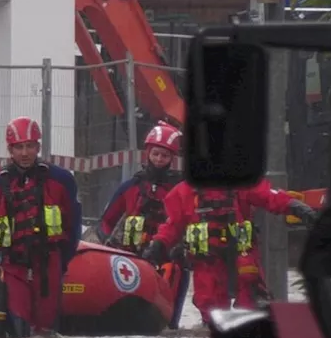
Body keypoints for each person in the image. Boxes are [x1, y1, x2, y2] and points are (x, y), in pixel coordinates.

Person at [143, 178, 318, 325]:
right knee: (211, 311)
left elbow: (269, 197)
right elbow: (172, 225)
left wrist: (295, 206)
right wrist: (158, 244)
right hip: (207, 262)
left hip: (242, 259)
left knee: (251, 307)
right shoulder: (184, 191)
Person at [0, 117, 83, 337]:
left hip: (48, 263)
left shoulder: (62, 180)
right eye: (19, 147)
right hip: (12, 264)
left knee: (46, 331)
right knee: (19, 328)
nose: (25, 153)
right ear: (10, 150)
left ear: (38, 147)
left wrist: (61, 261)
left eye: (30, 146)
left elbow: (73, 227)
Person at [98, 122, 182, 251]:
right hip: (131, 258)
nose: (159, 159)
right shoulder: (131, 187)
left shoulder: (178, 190)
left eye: (165, 156)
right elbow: (106, 221)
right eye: (155, 154)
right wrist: (108, 244)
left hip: (166, 260)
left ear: (172, 158)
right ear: (148, 153)